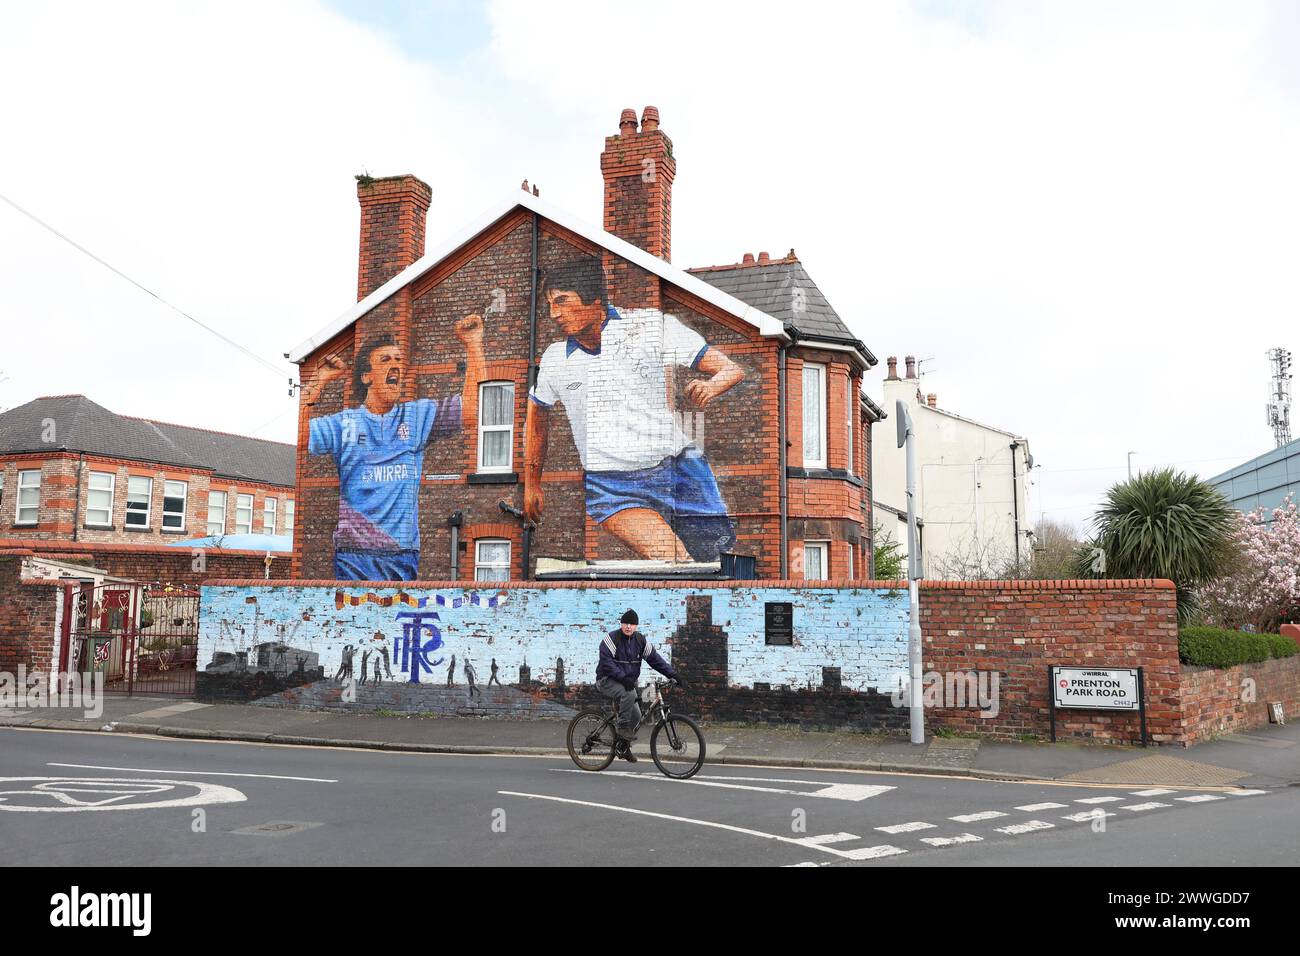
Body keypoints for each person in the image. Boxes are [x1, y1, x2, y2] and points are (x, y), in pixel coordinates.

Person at [524, 258, 743, 562]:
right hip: (612, 485)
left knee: (715, 565)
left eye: (562, 301)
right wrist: (532, 483)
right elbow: (537, 416)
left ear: (595, 298)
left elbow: (729, 369)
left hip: (681, 470)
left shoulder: (650, 327)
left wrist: (712, 385)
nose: (554, 314)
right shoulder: (554, 360)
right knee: (674, 561)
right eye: (550, 305)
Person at [303, 315, 486, 581]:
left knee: (395, 622)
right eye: (386, 360)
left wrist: (473, 345)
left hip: (401, 553)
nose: (396, 366)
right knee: (356, 622)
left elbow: (472, 410)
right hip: (354, 553)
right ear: (367, 376)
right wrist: (319, 382)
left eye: (399, 360)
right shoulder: (345, 423)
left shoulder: (417, 415)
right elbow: (303, 435)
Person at [596, 609, 684, 763]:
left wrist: (673, 675)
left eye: (632, 624)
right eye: (625, 623)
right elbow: (606, 663)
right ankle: (622, 728)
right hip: (606, 680)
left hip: (626, 683)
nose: (628, 627)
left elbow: (656, 660)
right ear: (621, 624)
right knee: (629, 694)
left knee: (637, 717)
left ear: (636, 626)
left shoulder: (640, 641)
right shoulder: (611, 639)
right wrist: (623, 678)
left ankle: (623, 747)